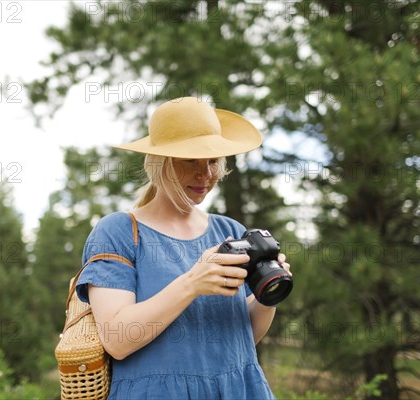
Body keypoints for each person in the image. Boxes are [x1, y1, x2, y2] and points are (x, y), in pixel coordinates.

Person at [76, 96, 291, 399]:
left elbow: (244, 337)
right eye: (190, 159)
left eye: (212, 160)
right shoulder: (118, 232)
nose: (205, 174)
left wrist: (268, 296)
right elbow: (118, 340)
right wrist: (192, 283)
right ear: (160, 161)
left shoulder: (230, 231)